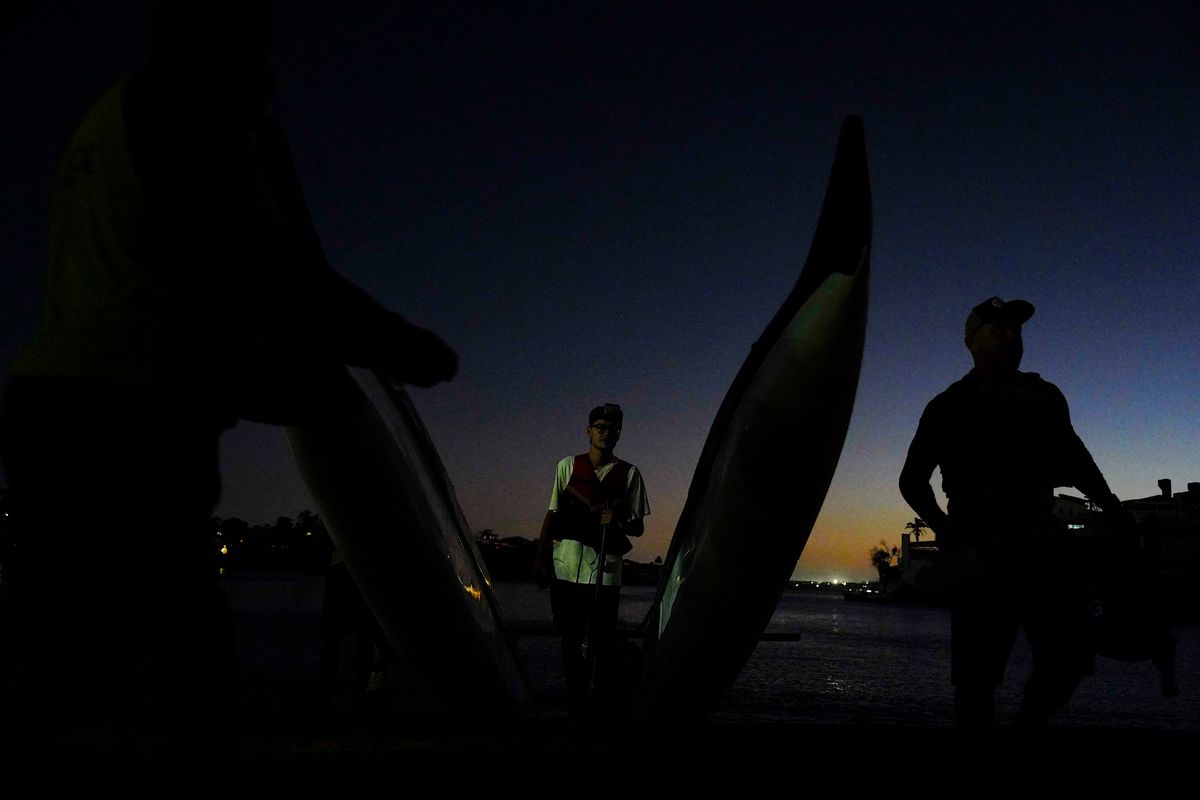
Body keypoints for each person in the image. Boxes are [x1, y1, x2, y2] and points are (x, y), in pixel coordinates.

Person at [0, 1, 455, 788]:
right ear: (211, 41)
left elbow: (171, 297)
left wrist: (286, 390)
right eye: (260, 52)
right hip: (123, 432)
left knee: (64, 651)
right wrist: (397, 344)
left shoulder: (109, 122)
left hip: (67, 411)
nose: (273, 79)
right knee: (183, 671)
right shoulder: (181, 107)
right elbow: (256, 262)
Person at [898, 297, 1133, 732]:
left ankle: (1022, 735)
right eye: (996, 329)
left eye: (1016, 330)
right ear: (970, 342)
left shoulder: (1045, 396)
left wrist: (1114, 507)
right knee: (976, 679)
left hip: (1044, 548)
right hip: (980, 555)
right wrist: (949, 531)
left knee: (1068, 660)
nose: (1010, 337)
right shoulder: (948, 405)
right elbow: (912, 480)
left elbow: (1076, 459)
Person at [533, 403, 650, 718]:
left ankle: (596, 703)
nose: (605, 433)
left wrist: (618, 518)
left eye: (611, 429)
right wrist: (541, 557)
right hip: (566, 568)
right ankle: (576, 700)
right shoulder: (567, 466)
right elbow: (552, 514)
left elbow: (638, 527)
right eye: (599, 427)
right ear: (588, 430)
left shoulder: (630, 473)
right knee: (570, 639)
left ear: (619, 434)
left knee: (601, 641)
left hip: (606, 573)